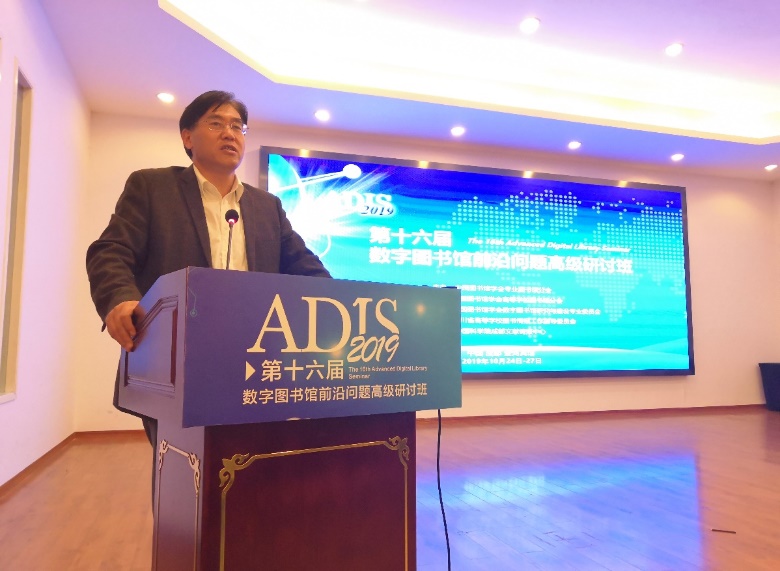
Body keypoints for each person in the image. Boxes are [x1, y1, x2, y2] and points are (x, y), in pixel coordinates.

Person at [86, 90, 331, 480]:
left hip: (254, 362)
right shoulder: (152, 187)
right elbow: (110, 250)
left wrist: (345, 304)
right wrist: (119, 299)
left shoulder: (266, 206)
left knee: (251, 472)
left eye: (238, 126)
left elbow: (306, 267)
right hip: (173, 361)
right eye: (216, 123)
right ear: (187, 137)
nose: (230, 133)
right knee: (184, 476)